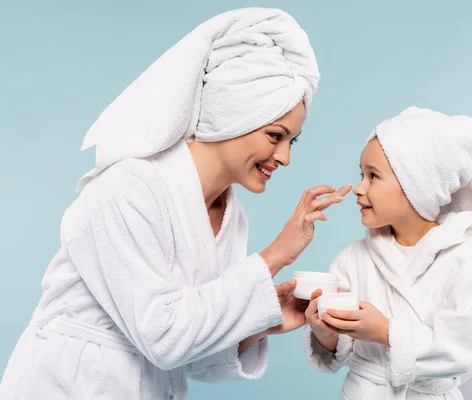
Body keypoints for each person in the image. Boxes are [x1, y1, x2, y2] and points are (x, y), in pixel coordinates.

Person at [0, 7, 351, 400]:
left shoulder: (231, 217)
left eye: (292, 141)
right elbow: (163, 338)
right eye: (275, 136)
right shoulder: (126, 191)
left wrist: (260, 323)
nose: (284, 157)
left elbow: (189, 356)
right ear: (236, 114)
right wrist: (274, 256)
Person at [304, 106, 472, 399]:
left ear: (416, 186)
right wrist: (324, 332)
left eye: (373, 176)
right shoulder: (352, 260)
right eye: (362, 174)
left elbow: (466, 347)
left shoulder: (464, 259)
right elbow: (337, 351)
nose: (359, 188)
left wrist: (385, 331)